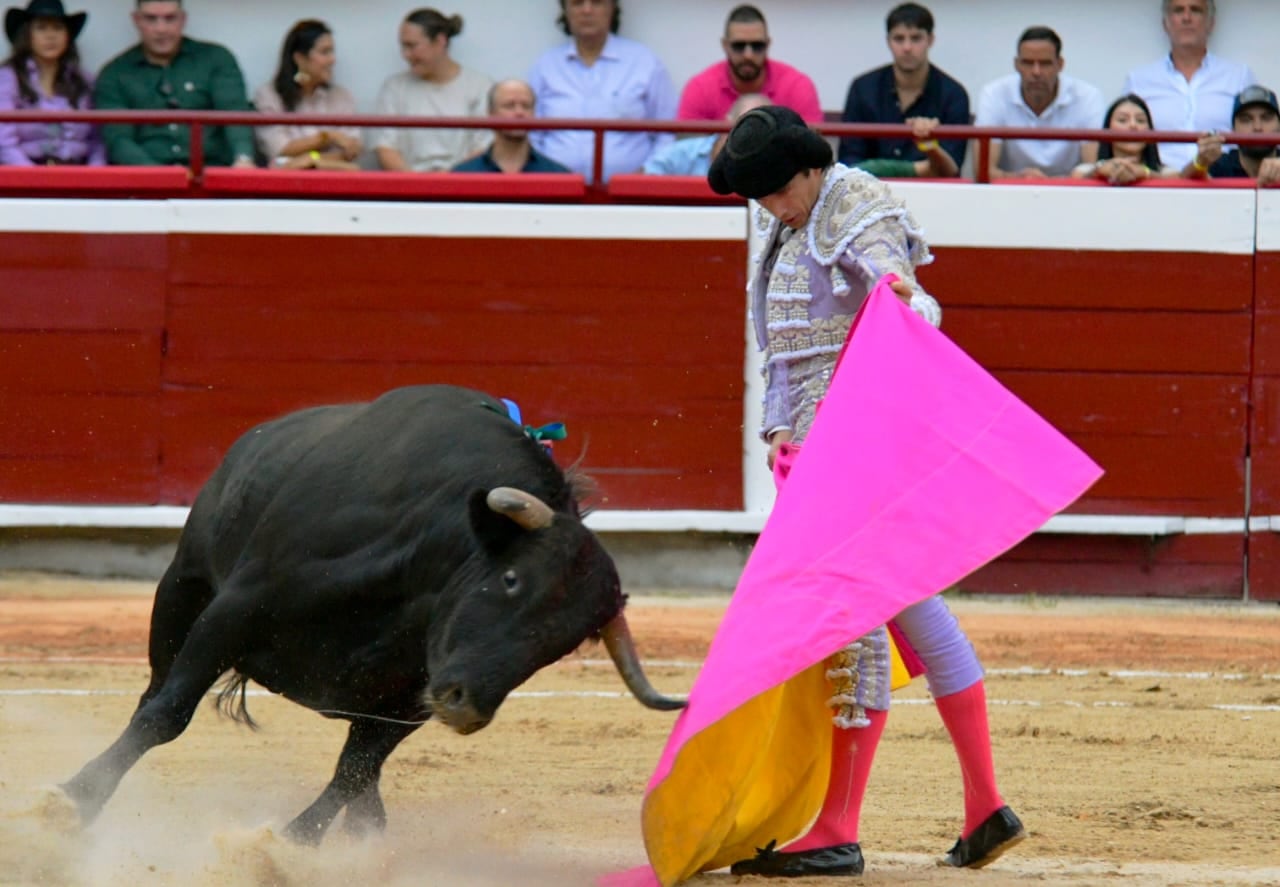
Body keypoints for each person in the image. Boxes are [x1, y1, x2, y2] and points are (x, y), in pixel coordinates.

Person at [707, 105, 1024, 877]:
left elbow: (906, 294)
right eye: (760, 197)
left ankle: (840, 824)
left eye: (778, 190)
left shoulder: (853, 203)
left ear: (812, 167)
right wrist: (780, 429)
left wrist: (899, 297)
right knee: (911, 607)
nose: (770, 207)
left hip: (854, 446)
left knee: (856, 616)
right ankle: (986, 807)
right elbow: (785, 350)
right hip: (814, 450)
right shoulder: (792, 218)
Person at [528, 0, 677, 183]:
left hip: (629, 194)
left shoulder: (645, 62)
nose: (587, 10)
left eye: (597, 2)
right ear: (565, 11)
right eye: (577, 3)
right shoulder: (546, 65)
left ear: (612, 9)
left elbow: (667, 132)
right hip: (556, 190)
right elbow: (532, 134)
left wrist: (648, 172)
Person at [93, 0, 255, 168]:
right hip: (145, 181)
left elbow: (235, 114)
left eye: (170, 18)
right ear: (136, 20)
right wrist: (162, 177)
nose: (161, 29)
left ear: (183, 19)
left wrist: (243, 158)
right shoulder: (114, 73)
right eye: (151, 19)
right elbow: (118, 139)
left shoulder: (216, 59)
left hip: (214, 174)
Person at [838, 3, 968, 178]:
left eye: (916, 38)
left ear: (930, 40)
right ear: (888, 41)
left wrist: (929, 146)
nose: (907, 47)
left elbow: (951, 170)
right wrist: (920, 168)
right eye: (899, 39)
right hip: (869, 194)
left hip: (933, 195)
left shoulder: (954, 95)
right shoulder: (862, 89)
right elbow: (848, 165)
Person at [1123, 1, 1255, 170]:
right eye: (1178, 11)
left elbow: (1260, 132)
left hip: (1222, 182)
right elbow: (1120, 142)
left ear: (1211, 24)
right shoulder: (1139, 80)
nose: (1187, 18)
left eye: (1196, 10)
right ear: (1165, 24)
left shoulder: (1239, 76)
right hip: (1158, 182)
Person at [973, 26, 1105, 179]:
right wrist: (1021, 180)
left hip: (1071, 194)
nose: (1036, 72)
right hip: (1009, 193)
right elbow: (982, 172)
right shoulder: (994, 94)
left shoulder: (1087, 96)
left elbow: (1094, 170)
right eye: (1028, 63)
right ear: (1016, 65)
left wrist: (1047, 183)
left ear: (1060, 64)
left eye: (1045, 63)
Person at [372, 8, 491, 172]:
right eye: (403, 47)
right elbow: (385, 148)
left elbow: (484, 148)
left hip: (463, 187)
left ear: (440, 41)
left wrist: (450, 181)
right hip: (409, 190)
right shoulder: (394, 88)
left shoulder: (480, 87)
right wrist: (417, 186)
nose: (405, 55)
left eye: (412, 46)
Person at [676, 4, 820, 124]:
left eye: (757, 46)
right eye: (739, 46)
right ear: (725, 45)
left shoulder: (796, 86)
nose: (748, 55)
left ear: (768, 44)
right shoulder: (700, 88)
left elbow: (813, 150)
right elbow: (684, 149)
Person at [0, 0, 102, 165]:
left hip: (79, 175)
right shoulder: (7, 78)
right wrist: (33, 179)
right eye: (41, 28)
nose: (51, 36)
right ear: (27, 34)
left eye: (58, 28)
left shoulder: (84, 81)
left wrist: (95, 177)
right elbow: (3, 141)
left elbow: (98, 140)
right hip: (24, 177)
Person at [252, 19, 361, 171]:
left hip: (335, 183)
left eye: (332, 52)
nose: (333, 60)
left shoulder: (341, 96)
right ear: (299, 59)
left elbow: (350, 150)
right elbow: (279, 150)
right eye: (325, 52)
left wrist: (312, 159)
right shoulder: (269, 96)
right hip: (285, 186)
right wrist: (328, 137)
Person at [1072, 94, 1208, 184]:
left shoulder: (1168, 172)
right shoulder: (1084, 170)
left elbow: (1178, 184)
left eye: (1141, 120)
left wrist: (1145, 173)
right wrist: (1100, 171)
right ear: (1107, 131)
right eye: (1122, 120)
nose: (1133, 125)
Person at [451, 79, 569, 173]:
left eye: (526, 106)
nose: (519, 112)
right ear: (490, 114)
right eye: (509, 106)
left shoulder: (558, 175)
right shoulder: (464, 175)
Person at [642, 91, 770, 176]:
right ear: (727, 123)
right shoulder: (685, 153)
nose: (751, 137)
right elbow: (643, 180)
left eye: (762, 132)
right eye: (746, 126)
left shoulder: (771, 165)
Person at [1206, 85, 1280, 187]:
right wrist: (1198, 162)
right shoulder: (1220, 167)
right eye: (1246, 119)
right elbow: (1179, 187)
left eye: (1266, 118)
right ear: (1233, 130)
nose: (1257, 127)